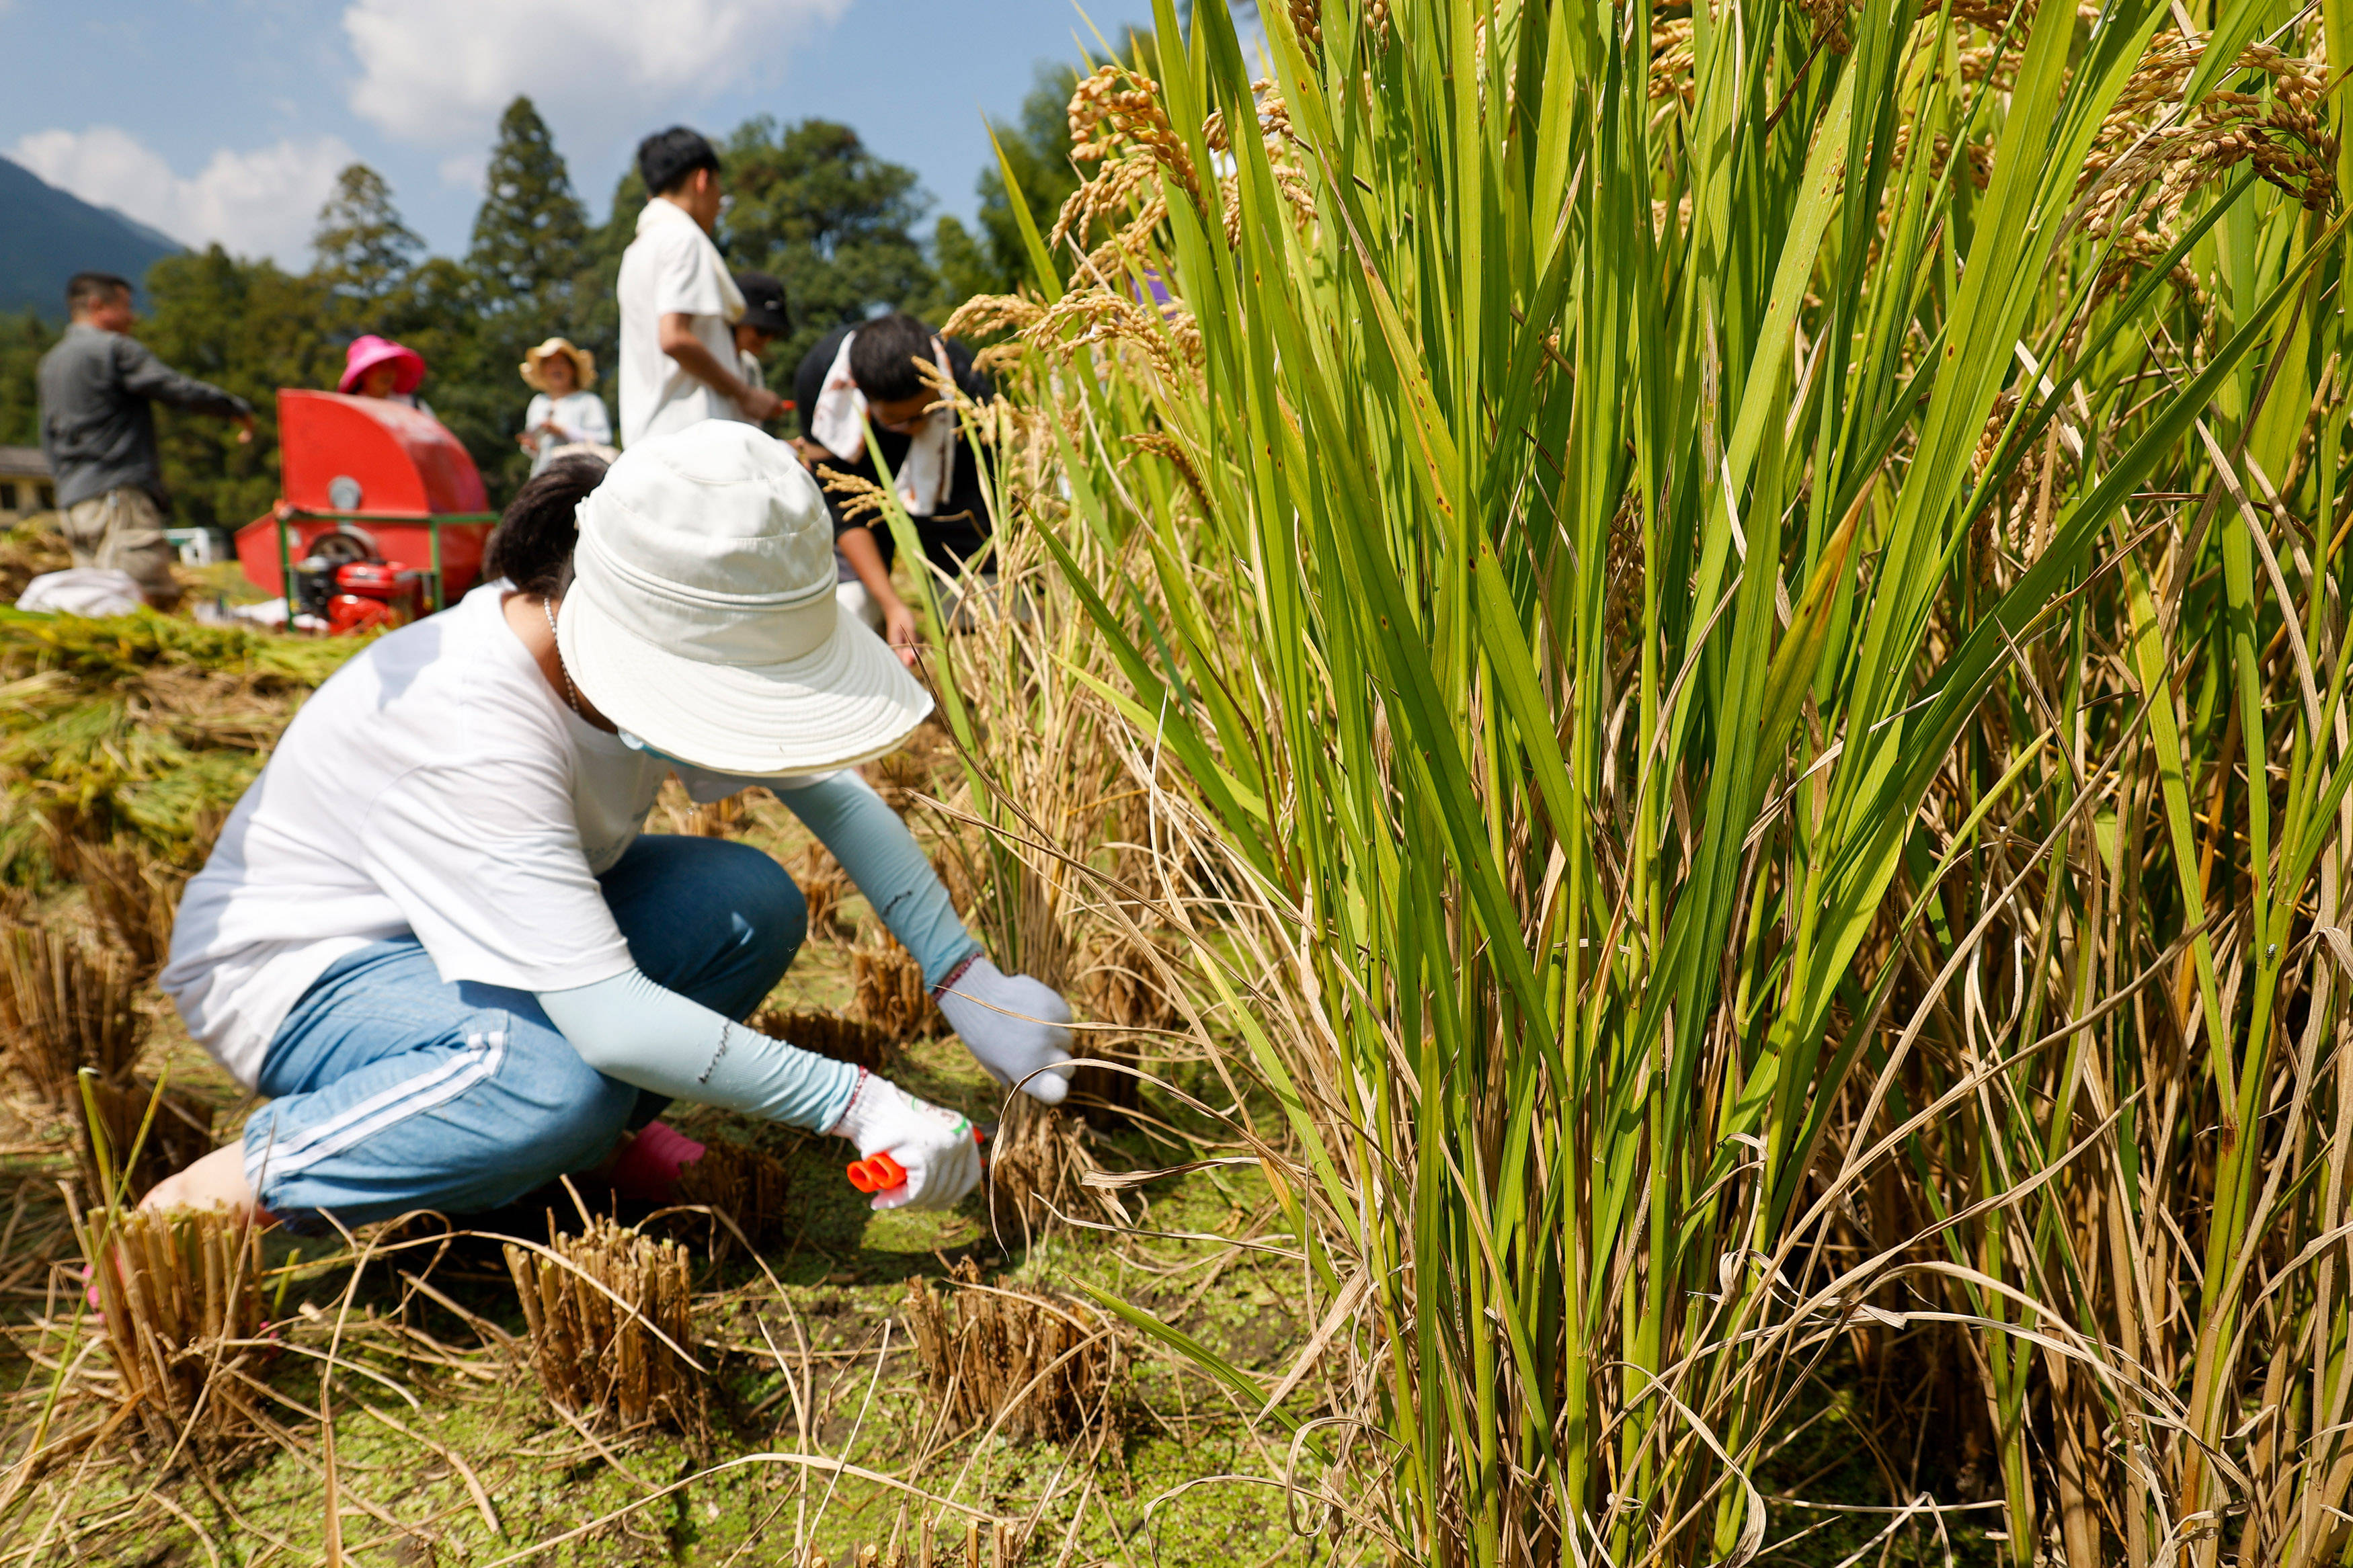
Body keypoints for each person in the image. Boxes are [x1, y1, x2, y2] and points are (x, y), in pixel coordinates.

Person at [147, 422, 1076, 1230]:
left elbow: (826, 788)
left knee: (745, 901)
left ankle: (571, 1151)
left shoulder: (618, 633)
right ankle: (218, 1196)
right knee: (556, 1086)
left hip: (466, 944)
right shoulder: (471, 725)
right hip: (306, 970)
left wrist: (966, 977)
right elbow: (612, 1022)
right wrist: (861, 1105)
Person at [36, 272, 255, 609]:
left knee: (95, 604)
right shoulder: (113, 349)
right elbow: (174, 387)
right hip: (118, 495)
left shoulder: (50, 363)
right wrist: (234, 408)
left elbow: (48, 437)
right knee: (146, 600)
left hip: (74, 502)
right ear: (98, 305)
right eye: (126, 307)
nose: (133, 317)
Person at [793, 313, 996, 661]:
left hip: (949, 473)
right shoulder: (820, 383)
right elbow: (841, 506)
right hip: (861, 482)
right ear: (860, 395)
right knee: (851, 602)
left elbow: (983, 492)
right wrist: (892, 606)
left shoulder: (966, 377)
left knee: (981, 598)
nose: (917, 428)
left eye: (926, 413)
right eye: (900, 421)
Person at [616, 127, 781, 448]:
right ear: (703, 180)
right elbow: (674, 337)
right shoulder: (684, 238)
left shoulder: (637, 250)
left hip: (650, 444)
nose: (719, 204)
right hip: (694, 446)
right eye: (721, 191)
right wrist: (745, 394)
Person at [517, 337, 613, 474]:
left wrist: (563, 431)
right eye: (550, 364)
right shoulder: (538, 403)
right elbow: (535, 451)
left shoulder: (589, 401)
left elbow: (604, 439)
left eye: (561, 362)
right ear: (543, 371)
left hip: (581, 476)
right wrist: (531, 445)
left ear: (573, 369)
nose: (556, 368)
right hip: (543, 476)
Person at [340, 335, 435, 420]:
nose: (388, 372)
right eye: (381, 365)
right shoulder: (349, 411)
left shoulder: (415, 405)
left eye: (392, 365)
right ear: (364, 372)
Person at [731, 270, 791, 401]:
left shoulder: (750, 365)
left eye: (775, 333)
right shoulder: (705, 358)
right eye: (762, 330)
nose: (768, 339)